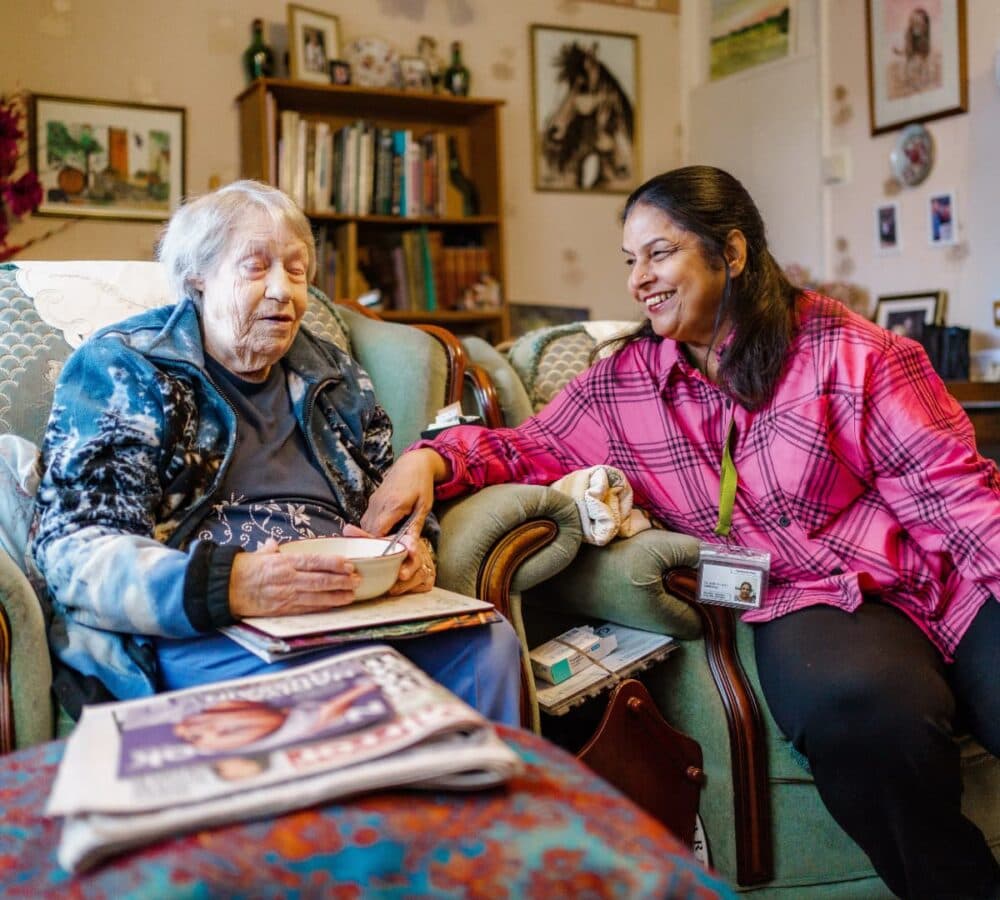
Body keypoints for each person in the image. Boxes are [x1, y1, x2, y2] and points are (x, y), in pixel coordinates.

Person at [363, 166, 1000, 900]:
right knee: (855, 712)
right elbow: (521, 446)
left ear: (731, 252)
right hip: (805, 598)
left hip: (933, 577)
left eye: (658, 254)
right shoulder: (622, 386)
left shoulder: (853, 354)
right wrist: (431, 458)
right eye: (630, 261)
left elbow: (956, 497)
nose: (639, 279)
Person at [29, 179, 521, 726]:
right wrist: (234, 586)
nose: (283, 291)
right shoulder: (127, 370)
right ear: (198, 277)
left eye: (296, 269)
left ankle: (475, 807)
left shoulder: (335, 376)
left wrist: (411, 556)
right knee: (342, 681)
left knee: (489, 644)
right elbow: (74, 551)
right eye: (256, 266)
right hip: (206, 626)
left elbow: (393, 499)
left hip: (348, 612)